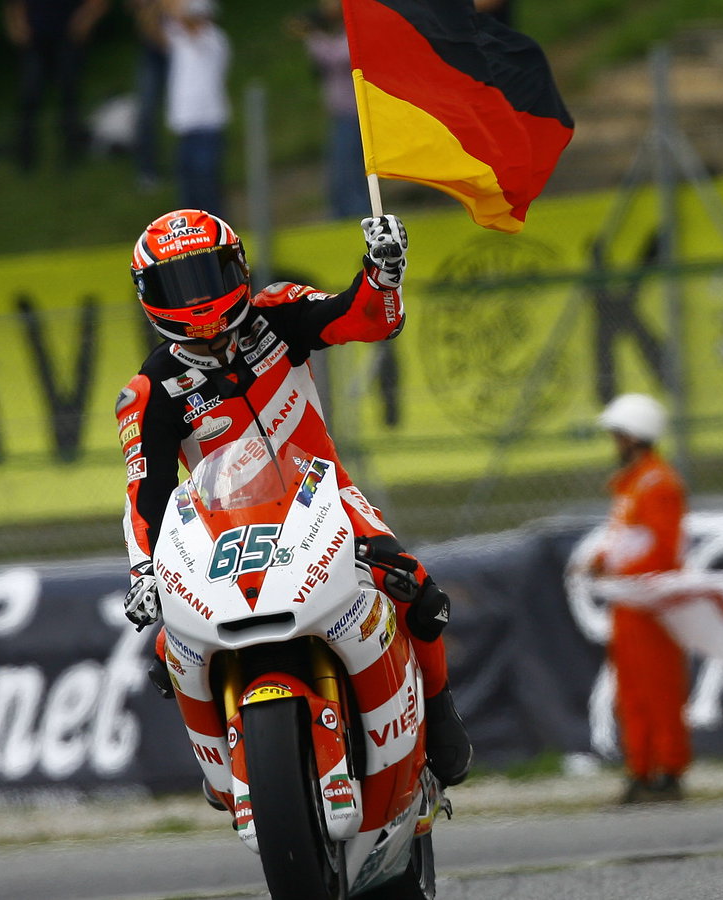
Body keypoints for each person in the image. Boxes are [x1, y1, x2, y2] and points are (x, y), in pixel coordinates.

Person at [116, 208, 473, 792]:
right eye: (179, 286)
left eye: (208, 277)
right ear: (148, 296)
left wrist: (381, 275)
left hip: (324, 496)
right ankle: (219, 768)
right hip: (221, 529)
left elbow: (357, 319)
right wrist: (142, 573)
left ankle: (437, 710)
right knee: (166, 647)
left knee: (418, 589)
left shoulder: (276, 315)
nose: (199, 301)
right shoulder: (149, 392)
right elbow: (145, 494)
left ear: (238, 269)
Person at [587, 394, 690, 804]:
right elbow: (622, 543)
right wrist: (600, 563)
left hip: (652, 603)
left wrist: (615, 571)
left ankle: (668, 770)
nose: (615, 443)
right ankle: (641, 770)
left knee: (659, 689)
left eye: (618, 436)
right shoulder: (633, 485)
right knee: (630, 693)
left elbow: (663, 551)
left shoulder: (659, 484)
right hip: (628, 602)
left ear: (635, 436)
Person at [288, 1, 372, 220]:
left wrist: (312, 37)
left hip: (354, 113)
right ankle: (344, 213)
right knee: (341, 168)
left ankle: (355, 214)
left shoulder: (356, 33)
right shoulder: (336, 34)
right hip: (341, 114)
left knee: (349, 169)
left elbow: (338, 56)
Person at [5, 0, 110, 172]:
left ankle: (71, 151)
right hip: (35, 39)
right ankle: (25, 152)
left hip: (68, 38)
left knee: (68, 96)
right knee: (29, 96)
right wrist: (17, 24)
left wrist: (85, 21)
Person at [163, 0, 230, 215]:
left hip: (207, 125)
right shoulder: (181, 39)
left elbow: (183, 20)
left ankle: (218, 239)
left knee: (207, 188)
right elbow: (152, 31)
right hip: (186, 126)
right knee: (188, 194)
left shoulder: (214, 39)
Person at [127, 0, 169, 190]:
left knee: (188, 110)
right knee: (146, 111)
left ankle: (192, 167)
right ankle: (147, 171)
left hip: (181, 47)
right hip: (152, 51)